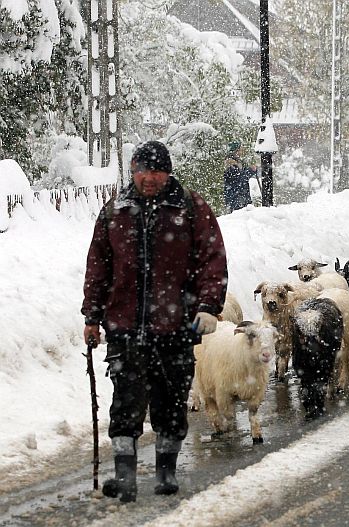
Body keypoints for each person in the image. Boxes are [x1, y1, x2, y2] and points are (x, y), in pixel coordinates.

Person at [82, 141, 228, 502]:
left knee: (171, 399)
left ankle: (166, 471)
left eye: (156, 171)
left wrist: (208, 306)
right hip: (124, 327)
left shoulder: (191, 209)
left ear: (168, 172)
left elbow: (212, 260)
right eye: (142, 171)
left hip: (176, 327)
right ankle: (125, 476)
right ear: (133, 172)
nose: (149, 178)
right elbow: (98, 266)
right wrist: (92, 316)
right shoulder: (115, 210)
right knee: (125, 401)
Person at [223, 140, 257, 212]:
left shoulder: (237, 162)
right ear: (236, 151)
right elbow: (240, 178)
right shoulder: (231, 164)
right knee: (239, 219)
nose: (242, 151)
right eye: (240, 149)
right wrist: (250, 170)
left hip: (240, 197)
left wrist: (251, 170)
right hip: (237, 198)